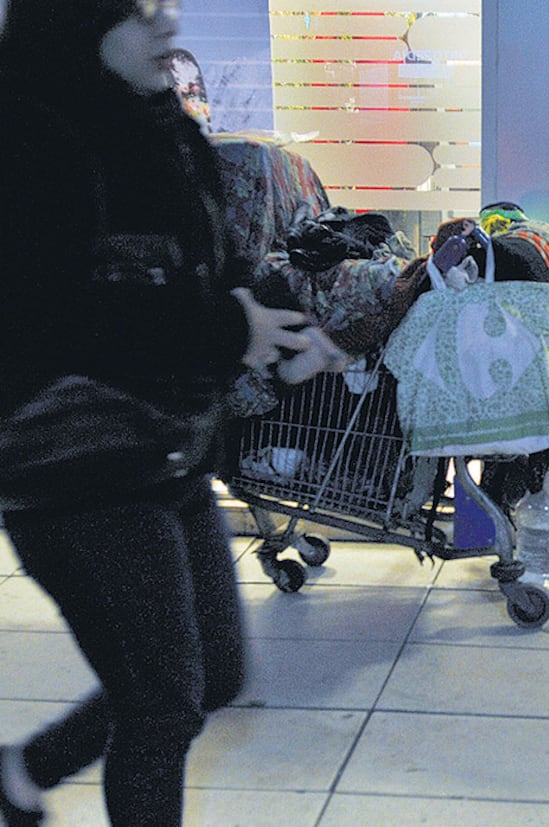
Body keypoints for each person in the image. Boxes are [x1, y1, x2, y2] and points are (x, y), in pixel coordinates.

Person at [0, 1, 346, 825]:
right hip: (70, 463)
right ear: (75, 24)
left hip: (169, 445)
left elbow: (204, 273)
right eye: (137, 10)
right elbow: (52, 317)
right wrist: (231, 327)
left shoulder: (159, 133)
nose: (166, 23)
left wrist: (278, 326)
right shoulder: (25, 144)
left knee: (215, 675)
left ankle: (24, 768)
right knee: (160, 706)